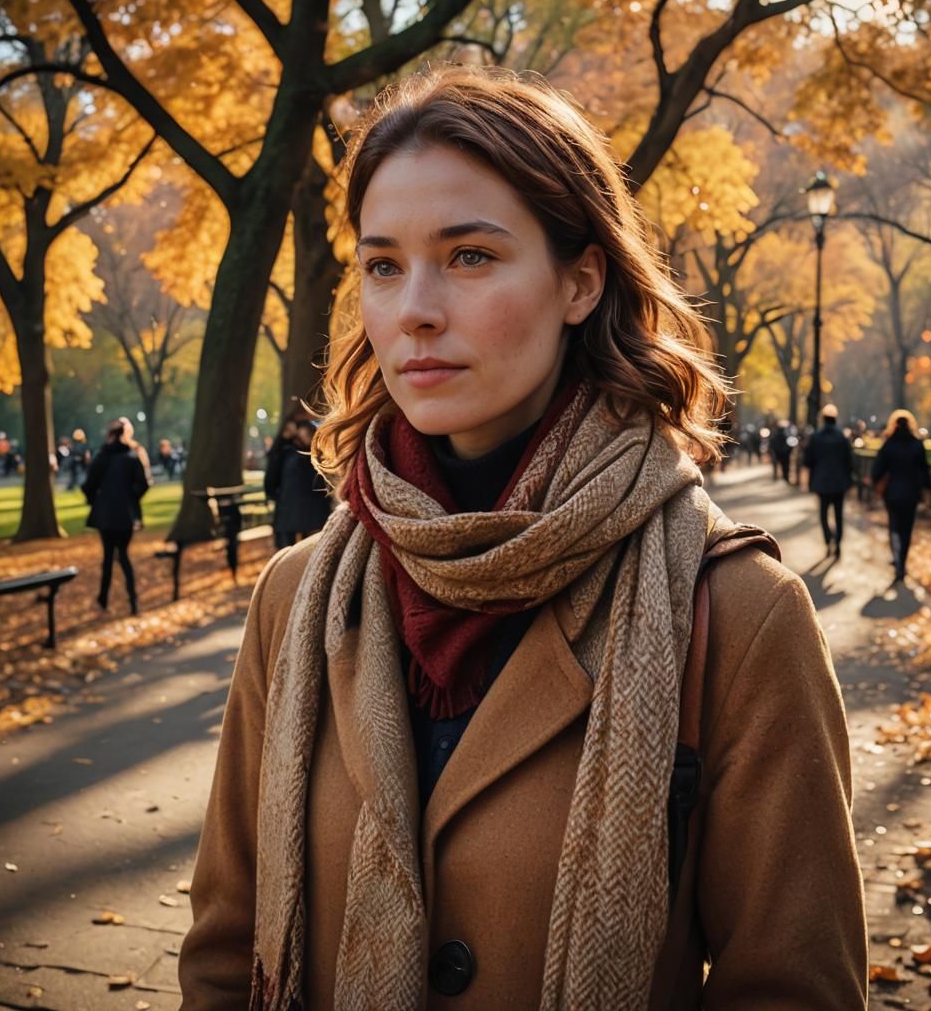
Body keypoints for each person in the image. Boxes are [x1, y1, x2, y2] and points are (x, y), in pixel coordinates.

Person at [179, 66, 867, 1010]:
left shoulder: (740, 615)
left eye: (469, 256)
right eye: (383, 265)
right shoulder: (298, 597)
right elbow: (225, 957)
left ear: (581, 280)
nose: (415, 308)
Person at [82, 417, 150, 615]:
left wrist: (96, 501)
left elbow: (88, 485)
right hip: (125, 515)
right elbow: (143, 484)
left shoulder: (102, 457)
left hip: (106, 515)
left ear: (111, 435)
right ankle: (132, 600)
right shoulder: (131, 457)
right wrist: (131, 499)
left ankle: (103, 599)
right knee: (124, 556)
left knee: (108, 557)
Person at [871, 409, 931, 585]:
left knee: (894, 527)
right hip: (911, 493)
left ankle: (897, 559)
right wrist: (927, 493)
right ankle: (902, 562)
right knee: (907, 529)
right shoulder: (917, 445)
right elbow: (924, 471)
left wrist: (877, 484)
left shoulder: (889, 445)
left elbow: (877, 470)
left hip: (892, 493)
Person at [263, 418, 332, 549]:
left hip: (303, 514)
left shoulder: (290, 455)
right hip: (293, 514)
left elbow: (321, 485)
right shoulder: (287, 454)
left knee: (300, 552)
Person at [803, 403, 853, 558]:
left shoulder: (816, 437)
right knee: (838, 515)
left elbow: (808, 460)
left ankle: (828, 539)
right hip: (839, 482)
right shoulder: (842, 437)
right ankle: (838, 542)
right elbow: (849, 461)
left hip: (822, 481)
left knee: (823, 514)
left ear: (823, 419)